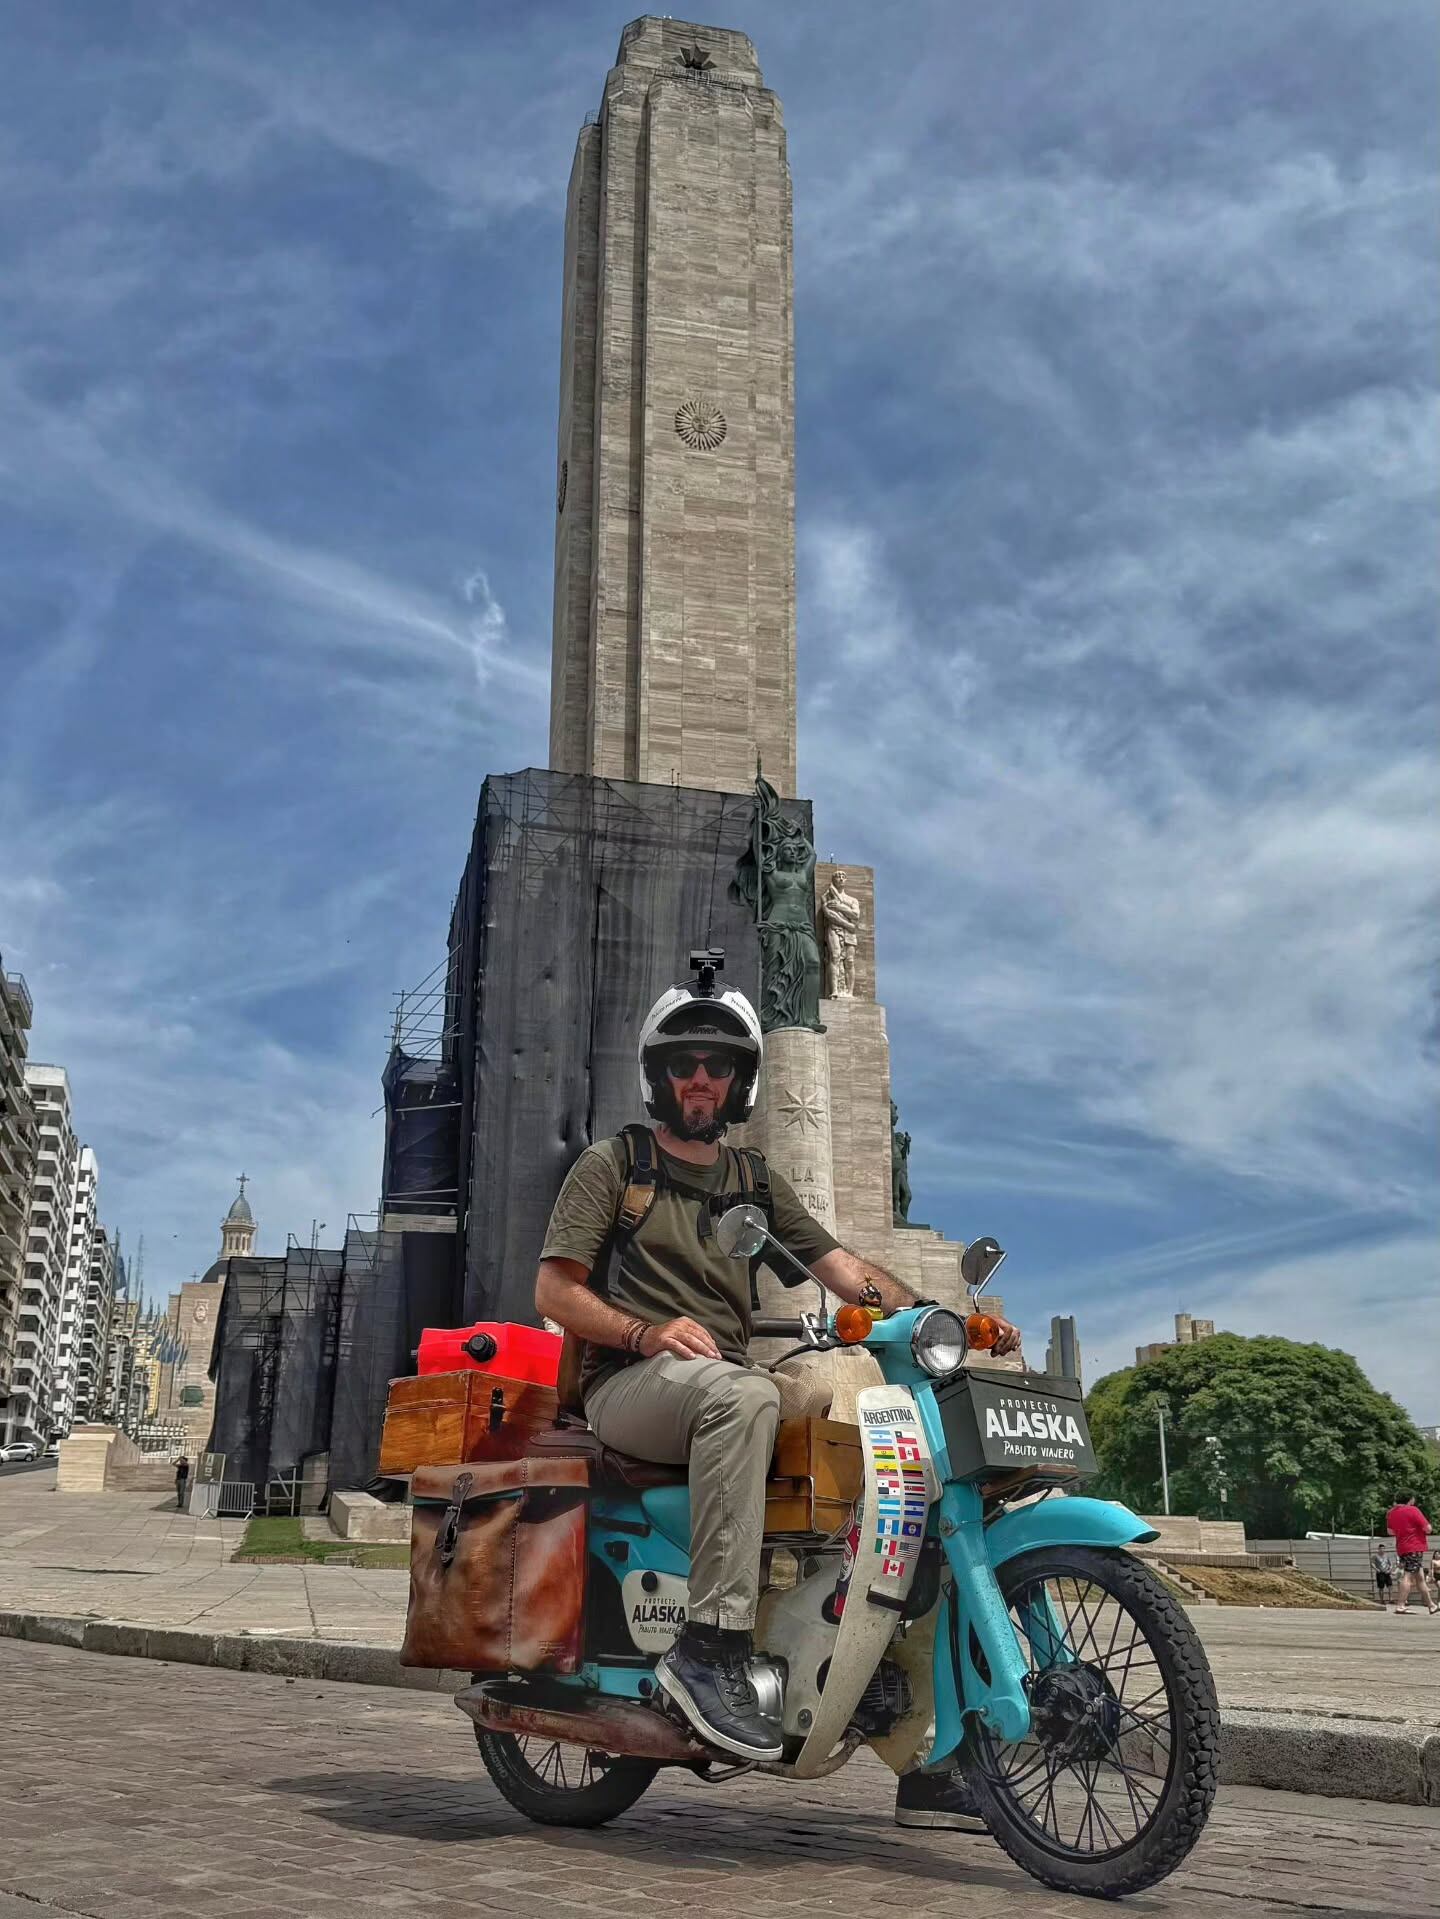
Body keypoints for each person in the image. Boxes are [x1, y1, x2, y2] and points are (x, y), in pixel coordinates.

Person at [536, 968, 1021, 1827]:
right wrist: (646, 1333)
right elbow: (556, 1293)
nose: (700, 1079)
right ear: (658, 1073)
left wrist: (938, 1321)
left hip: (722, 1388)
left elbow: (845, 1274)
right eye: (684, 1062)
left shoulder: (753, 1178)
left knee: (894, 1482)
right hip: (627, 1383)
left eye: (718, 1065)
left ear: (740, 1081)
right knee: (744, 1395)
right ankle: (709, 1646)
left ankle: (924, 1747)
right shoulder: (613, 1165)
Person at [1384, 1494, 1437, 1615]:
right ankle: (1401, 1605)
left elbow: (1390, 1531)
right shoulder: (1413, 1510)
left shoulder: (1392, 1513)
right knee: (1407, 1576)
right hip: (1414, 1547)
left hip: (1402, 1547)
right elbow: (1428, 1529)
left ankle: (1431, 1605)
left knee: (1420, 1578)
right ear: (1410, 1499)